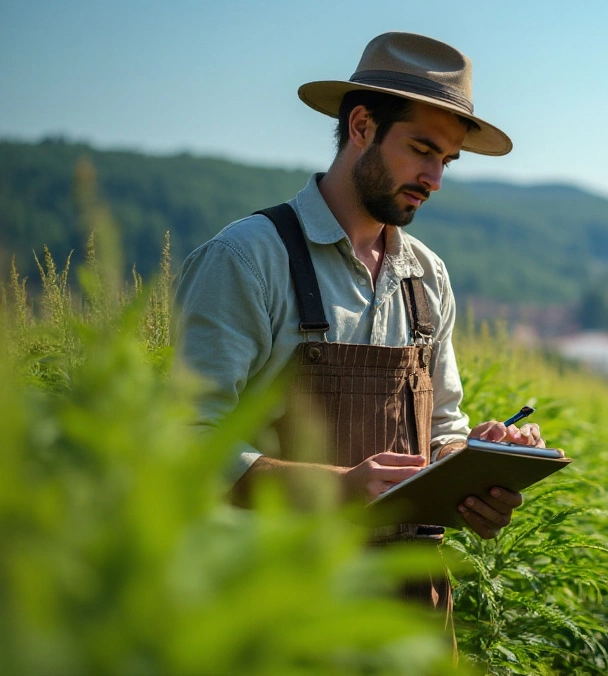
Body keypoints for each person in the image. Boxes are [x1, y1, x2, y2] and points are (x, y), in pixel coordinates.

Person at [173, 32, 545, 630]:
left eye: (446, 160)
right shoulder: (246, 259)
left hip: (408, 613)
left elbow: (442, 427)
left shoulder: (427, 274)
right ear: (363, 126)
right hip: (276, 608)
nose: (435, 178)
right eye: (422, 149)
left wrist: (475, 466)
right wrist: (337, 488)